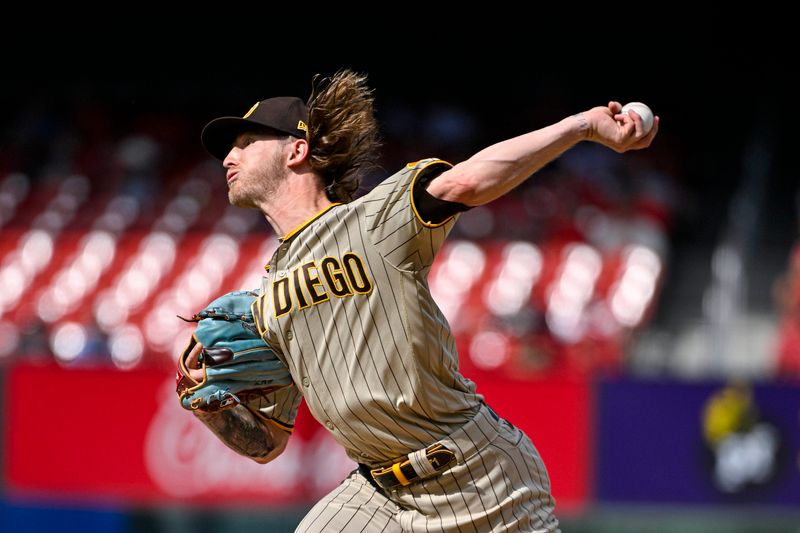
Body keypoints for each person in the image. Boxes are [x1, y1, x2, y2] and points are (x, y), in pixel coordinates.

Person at [183, 70, 658, 532]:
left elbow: (466, 182)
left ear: (297, 150)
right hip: (380, 494)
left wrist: (578, 127)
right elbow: (268, 444)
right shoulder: (264, 303)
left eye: (246, 142)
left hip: (477, 475)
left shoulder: (372, 220)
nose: (229, 155)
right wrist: (212, 404)